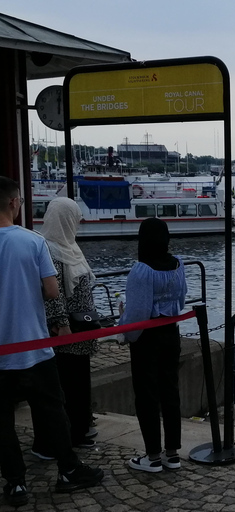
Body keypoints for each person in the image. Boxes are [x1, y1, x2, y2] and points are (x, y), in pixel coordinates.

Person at [0, 177, 103, 507]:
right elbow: (52, 291)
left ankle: (15, 483)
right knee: (52, 409)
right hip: (33, 345)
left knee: (2, 420)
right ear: (15, 203)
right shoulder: (32, 243)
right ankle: (68, 469)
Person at [119, 218, 187, 473]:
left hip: (148, 338)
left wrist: (125, 333)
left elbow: (138, 314)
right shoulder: (178, 264)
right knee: (170, 390)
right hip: (171, 332)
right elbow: (180, 301)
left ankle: (152, 456)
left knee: (147, 395)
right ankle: (172, 453)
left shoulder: (141, 269)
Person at [35, 198, 100, 455]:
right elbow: (54, 293)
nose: (78, 225)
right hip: (66, 333)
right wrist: (61, 324)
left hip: (82, 330)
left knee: (79, 382)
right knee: (67, 385)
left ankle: (80, 428)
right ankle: (69, 435)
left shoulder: (70, 246)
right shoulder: (49, 250)